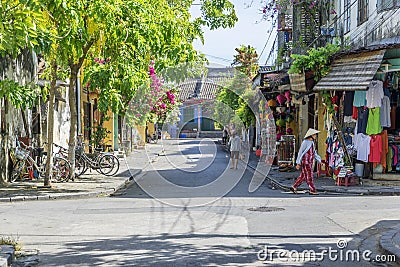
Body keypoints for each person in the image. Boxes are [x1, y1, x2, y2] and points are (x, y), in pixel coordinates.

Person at [291, 128, 322, 195]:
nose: (315, 136)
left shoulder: (312, 143)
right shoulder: (305, 142)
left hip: (310, 162)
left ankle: (294, 186)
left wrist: (319, 160)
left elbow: (314, 153)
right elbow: (300, 152)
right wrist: (298, 163)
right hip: (305, 162)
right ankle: (312, 189)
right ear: (311, 135)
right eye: (314, 135)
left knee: (303, 176)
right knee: (309, 176)